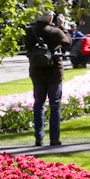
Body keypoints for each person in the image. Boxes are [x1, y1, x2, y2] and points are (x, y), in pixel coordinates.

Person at [25, 9, 70, 147]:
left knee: (38, 103)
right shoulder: (55, 32)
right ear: (50, 18)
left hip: (37, 72)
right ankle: (54, 138)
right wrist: (62, 26)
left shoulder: (29, 31)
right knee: (55, 103)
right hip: (54, 72)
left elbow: (27, 47)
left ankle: (39, 137)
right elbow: (68, 42)